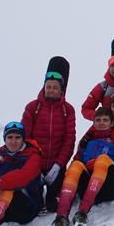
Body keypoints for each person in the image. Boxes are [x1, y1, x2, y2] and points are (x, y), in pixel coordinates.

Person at [52, 107, 114, 226]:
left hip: (112, 187)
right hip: (89, 188)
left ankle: (82, 213)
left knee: (102, 159)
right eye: (98, 120)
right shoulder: (87, 142)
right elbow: (74, 167)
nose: (101, 123)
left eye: (105, 120)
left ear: (112, 123)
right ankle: (61, 216)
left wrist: (110, 162)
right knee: (76, 165)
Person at [21, 71, 76, 213]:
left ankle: (52, 197)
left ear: (61, 90)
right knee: (35, 204)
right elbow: (25, 137)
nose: (51, 90)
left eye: (55, 87)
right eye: (48, 87)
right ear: (44, 88)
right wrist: (34, 165)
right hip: (35, 161)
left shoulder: (67, 110)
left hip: (56, 162)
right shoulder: (33, 107)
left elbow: (69, 140)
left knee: (52, 203)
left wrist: (58, 165)